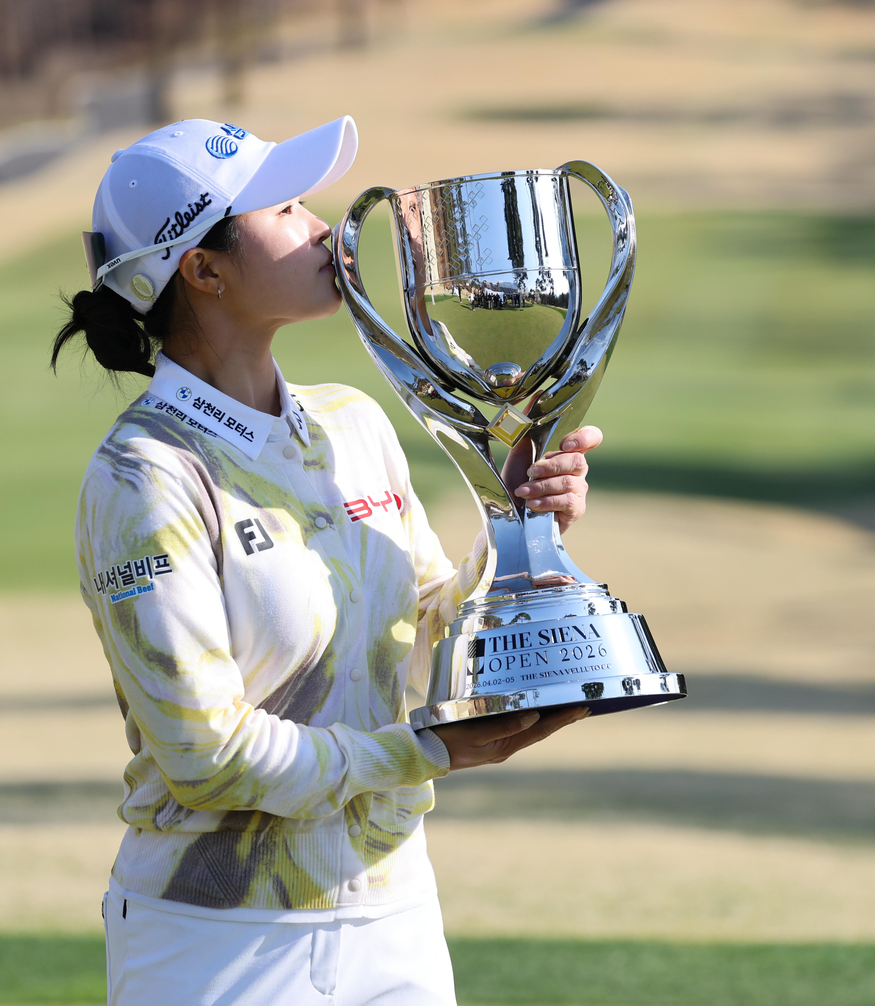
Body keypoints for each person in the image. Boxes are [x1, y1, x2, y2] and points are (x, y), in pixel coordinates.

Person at [54, 115, 602, 1006]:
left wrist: (517, 529)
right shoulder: (143, 474)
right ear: (203, 267)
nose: (325, 228)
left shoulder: (353, 420)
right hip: (217, 941)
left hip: (395, 918)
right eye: (286, 208)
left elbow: (427, 625)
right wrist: (425, 749)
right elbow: (207, 757)